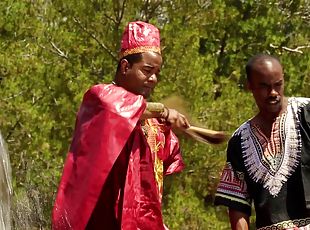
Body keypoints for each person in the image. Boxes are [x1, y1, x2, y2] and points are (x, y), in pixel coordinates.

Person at [52, 21, 190, 230]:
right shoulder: (100, 98)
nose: (153, 79)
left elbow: (159, 171)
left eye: (157, 73)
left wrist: (169, 128)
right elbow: (122, 108)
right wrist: (165, 111)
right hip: (98, 221)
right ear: (125, 66)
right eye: (147, 70)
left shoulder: (151, 122)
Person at [214, 54, 310, 230]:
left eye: (278, 85)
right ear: (250, 86)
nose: (273, 93)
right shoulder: (239, 140)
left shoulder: (307, 114)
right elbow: (237, 205)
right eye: (265, 86)